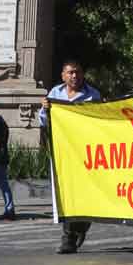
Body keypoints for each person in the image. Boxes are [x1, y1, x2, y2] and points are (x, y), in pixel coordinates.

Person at [40, 60, 103, 254]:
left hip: (85, 152)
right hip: (63, 152)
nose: (74, 76)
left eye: (77, 72)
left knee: (85, 195)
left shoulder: (93, 95)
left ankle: (80, 228)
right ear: (63, 76)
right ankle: (68, 237)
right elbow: (43, 120)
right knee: (66, 193)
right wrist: (44, 109)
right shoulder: (54, 94)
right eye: (70, 73)